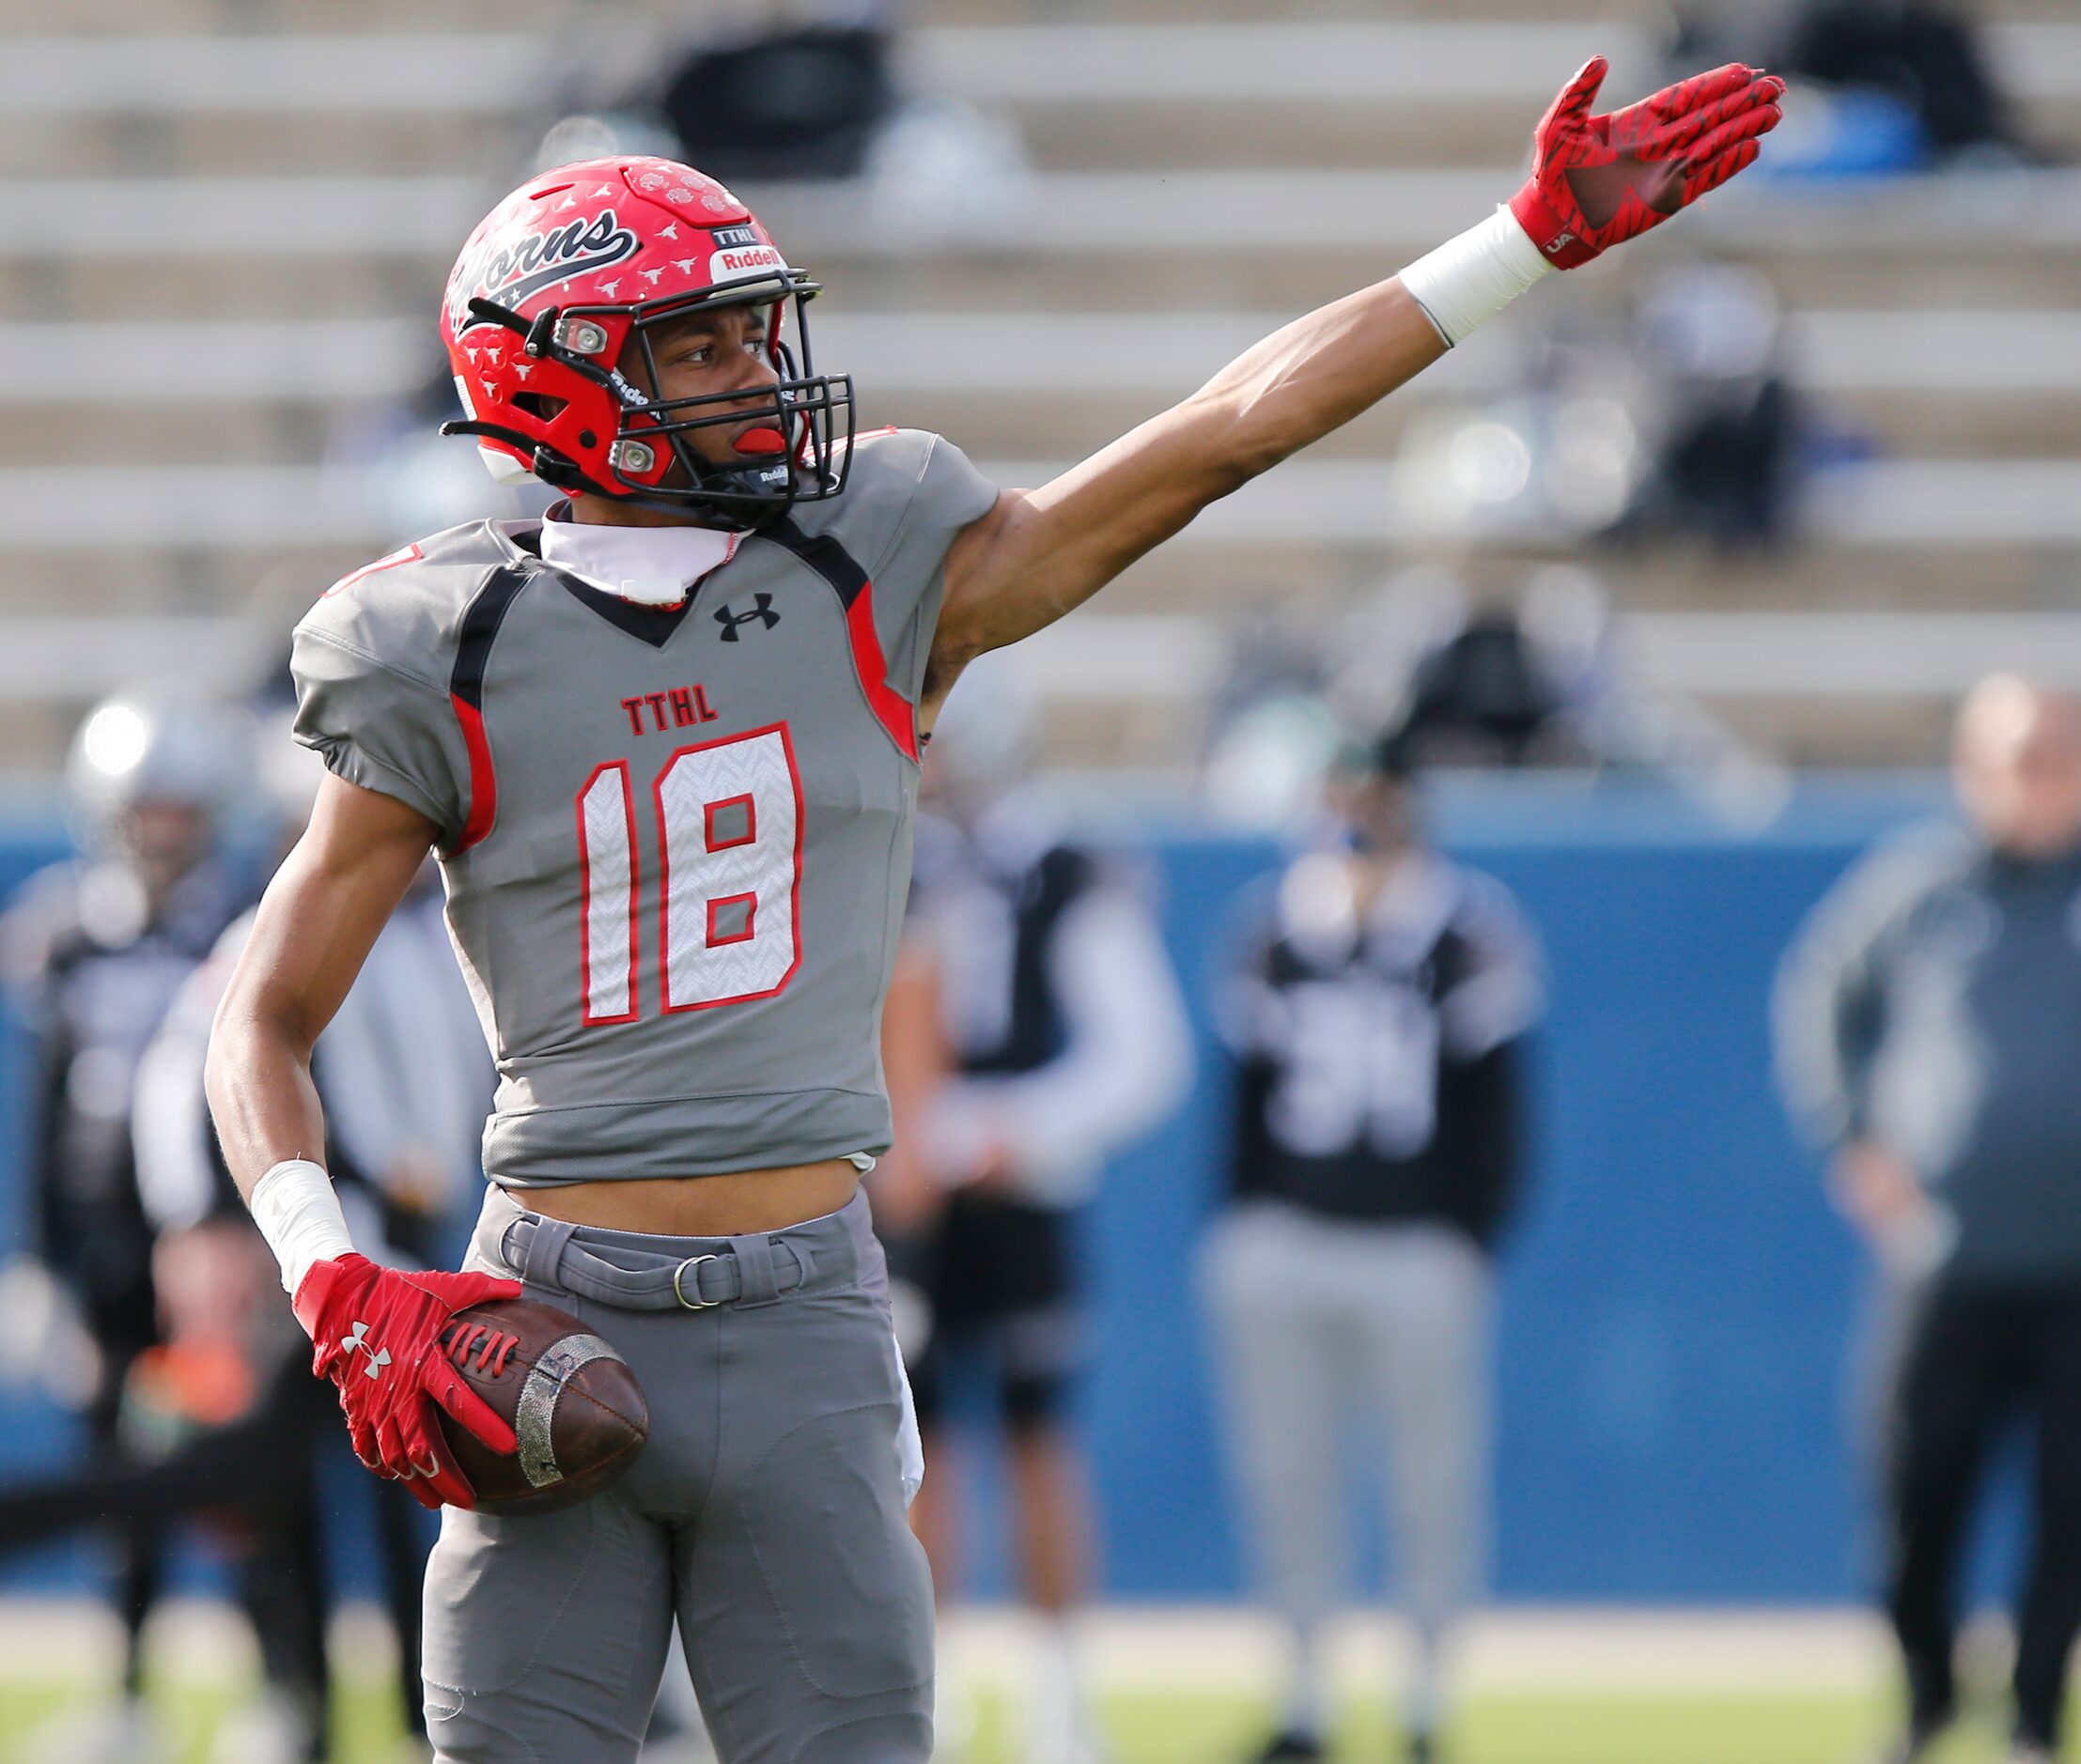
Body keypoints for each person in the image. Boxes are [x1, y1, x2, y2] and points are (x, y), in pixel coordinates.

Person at [198, 59, 1780, 1764]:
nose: (756, 375)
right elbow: (261, 1013)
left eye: (755, 331)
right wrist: (331, 1269)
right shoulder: (441, 642)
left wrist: (1520, 245)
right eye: (702, 345)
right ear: (562, 379)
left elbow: (1221, 437)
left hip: (807, 1304)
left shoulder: (865, 561)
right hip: (548, 1307)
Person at [1204, 732, 1541, 1764]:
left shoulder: (1468, 928)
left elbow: (1500, 1108)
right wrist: (1242, 1225)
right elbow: (1245, 1104)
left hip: (1416, 1244)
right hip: (1290, 1234)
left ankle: (1426, 1697)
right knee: (1287, 1476)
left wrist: (1469, 1236)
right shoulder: (1272, 926)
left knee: (1429, 1480)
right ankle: (1304, 1695)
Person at [880, 655, 1191, 1764]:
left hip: (1013, 1192)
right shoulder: (888, 855)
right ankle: (932, 1686)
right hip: (904, 1187)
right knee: (913, 1454)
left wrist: (1016, 1126)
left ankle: (1060, 1699)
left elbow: (1145, 1054)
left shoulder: (1062, 868)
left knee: (1035, 1438)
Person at [1776, 676, 2081, 1764]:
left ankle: (2039, 1717)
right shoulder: (1918, 888)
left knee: (2067, 1511)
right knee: (1917, 1491)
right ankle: (1924, 1696)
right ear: (1969, 766)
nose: (2030, 776)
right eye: (2009, 754)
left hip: (2074, 1268)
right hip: (1943, 1257)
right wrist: (1850, 1138)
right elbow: (1819, 997)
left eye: (2052, 752)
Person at [0, 687, 250, 1763]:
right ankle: (132, 1690)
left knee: (237, 1475)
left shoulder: (239, 926)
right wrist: (50, 1268)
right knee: (118, 1473)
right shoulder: (69, 935)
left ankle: (271, 1683)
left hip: (208, 1244)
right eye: (145, 812)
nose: (159, 835)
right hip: (107, 1247)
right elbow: (53, 1110)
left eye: (177, 813)